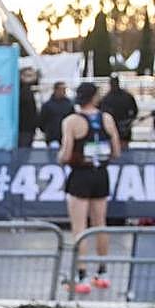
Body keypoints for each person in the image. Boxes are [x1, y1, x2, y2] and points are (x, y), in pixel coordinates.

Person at [59, 82, 121, 293]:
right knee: (100, 223)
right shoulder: (107, 119)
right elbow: (116, 152)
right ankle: (102, 272)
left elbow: (66, 154)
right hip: (101, 174)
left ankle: (81, 275)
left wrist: (61, 159)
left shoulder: (71, 121)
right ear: (94, 97)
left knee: (79, 227)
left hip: (80, 176)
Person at [100, 75, 138, 150]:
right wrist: (130, 121)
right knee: (124, 150)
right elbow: (135, 110)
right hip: (125, 125)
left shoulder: (106, 98)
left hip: (113, 126)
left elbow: (102, 113)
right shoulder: (127, 96)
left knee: (114, 149)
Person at [38, 81, 73, 148]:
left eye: (64, 89)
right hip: (52, 136)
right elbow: (42, 120)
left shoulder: (69, 104)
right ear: (55, 90)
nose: (63, 91)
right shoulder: (47, 105)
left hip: (66, 136)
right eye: (61, 89)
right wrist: (46, 131)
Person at [17, 67, 39, 148]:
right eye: (29, 75)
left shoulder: (28, 89)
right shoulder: (24, 90)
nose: (33, 78)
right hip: (24, 129)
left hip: (27, 129)